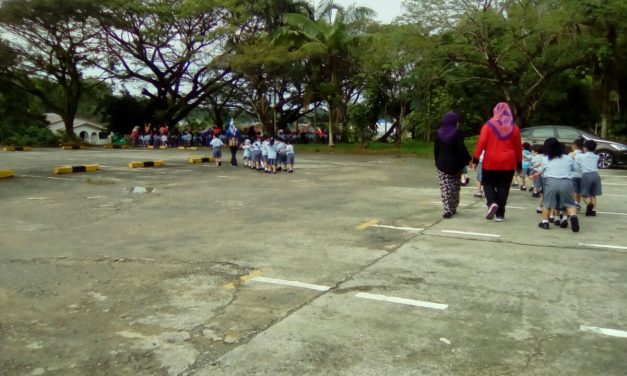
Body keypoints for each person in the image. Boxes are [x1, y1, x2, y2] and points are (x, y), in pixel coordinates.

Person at [472, 102, 522, 222]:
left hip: (491, 161)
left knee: (487, 183)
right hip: (508, 163)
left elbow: (481, 143)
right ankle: (500, 214)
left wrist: (475, 158)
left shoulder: (488, 126)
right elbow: (518, 148)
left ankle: (492, 202)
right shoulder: (514, 128)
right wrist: (519, 163)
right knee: (503, 188)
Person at [533, 138, 579, 232]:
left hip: (551, 182)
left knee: (547, 204)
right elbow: (575, 168)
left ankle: (545, 222)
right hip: (566, 182)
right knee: (570, 203)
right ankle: (573, 216)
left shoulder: (545, 159)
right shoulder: (568, 157)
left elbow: (543, 169)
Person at [434, 111, 471, 218]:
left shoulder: (438, 132)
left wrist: (436, 161)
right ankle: (453, 206)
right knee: (455, 186)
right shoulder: (457, 132)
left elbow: (436, 149)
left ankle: (447, 209)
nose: (458, 123)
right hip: (456, 164)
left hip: (442, 163)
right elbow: (461, 148)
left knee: (445, 186)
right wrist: (467, 160)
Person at [576, 139, 603, 216]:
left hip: (586, 175)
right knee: (593, 194)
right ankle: (593, 210)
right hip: (595, 175)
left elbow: (576, 163)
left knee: (583, 194)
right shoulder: (596, 156)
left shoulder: (581, 156)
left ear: (585, 148)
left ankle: (589, 205)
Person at [569, 138, 584, 209]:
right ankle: (578, 203)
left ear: (574, 145)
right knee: (579, 190)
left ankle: (574, 203)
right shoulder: (583, 155)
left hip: (573, 175)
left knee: (574, 190)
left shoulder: (571, 154)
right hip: (581, 175)